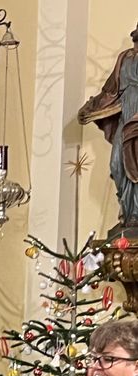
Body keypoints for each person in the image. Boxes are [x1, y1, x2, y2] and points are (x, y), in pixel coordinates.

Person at [78, 23, 138, 230]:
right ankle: (128, 210)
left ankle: (135, 215)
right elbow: (110, 91)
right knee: (117, 164)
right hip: (125, 113)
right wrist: (92, 107)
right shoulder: (125, 57)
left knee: (136, 163)